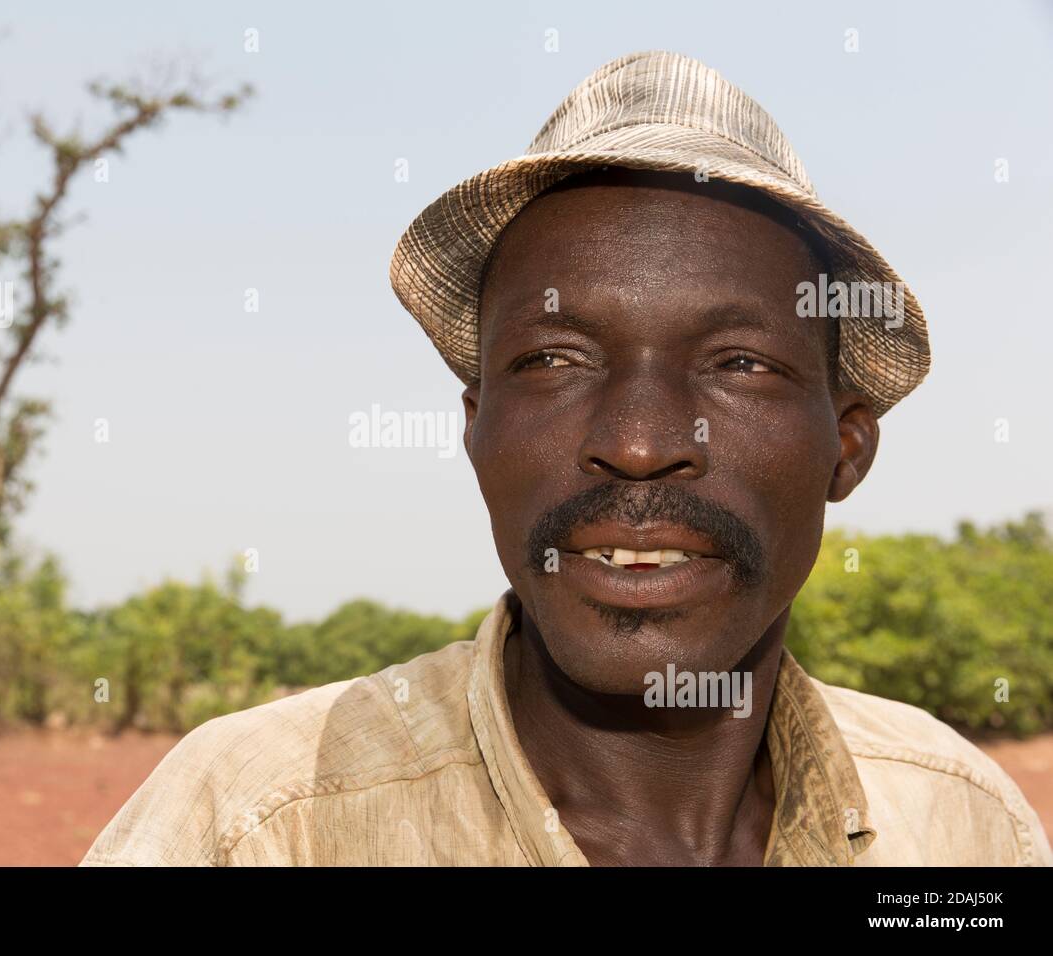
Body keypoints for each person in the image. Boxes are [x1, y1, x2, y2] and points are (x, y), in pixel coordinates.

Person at [81, 50, 1051, 866]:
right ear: (476, 426)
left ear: (845, 443)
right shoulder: (260, 827)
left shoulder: (959, 832)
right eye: (552, 359)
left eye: (737, 363)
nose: (637, 443)